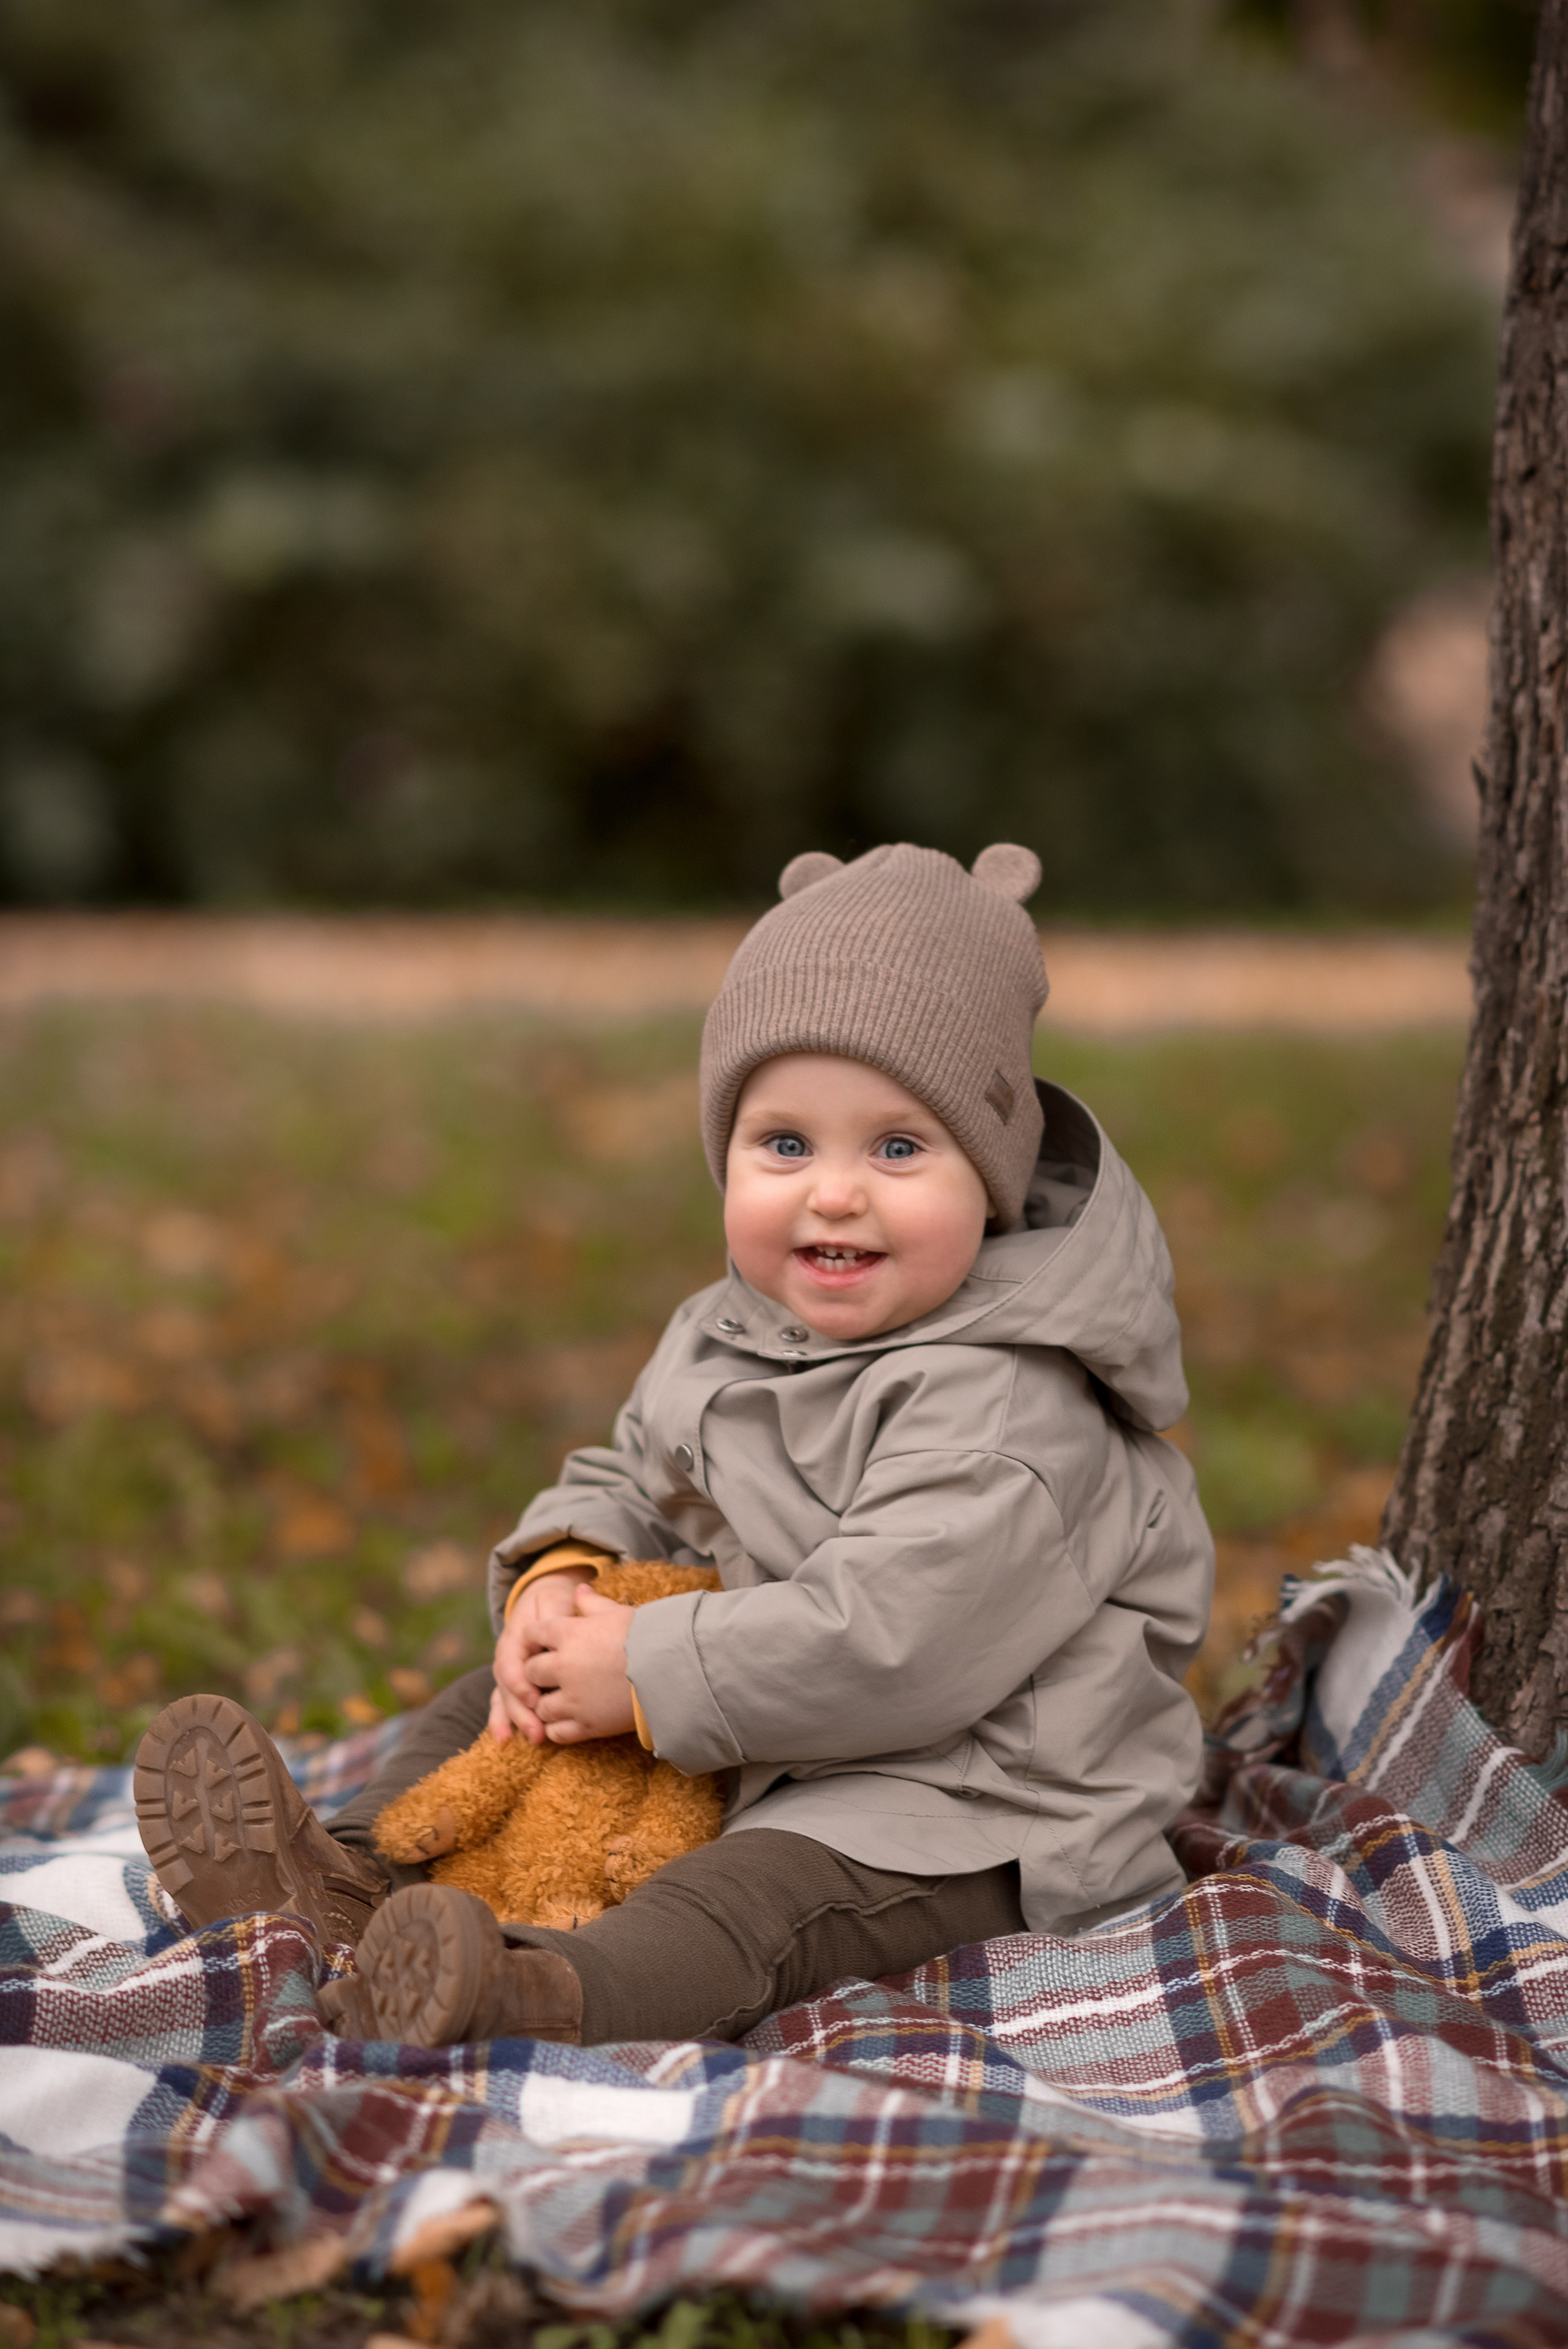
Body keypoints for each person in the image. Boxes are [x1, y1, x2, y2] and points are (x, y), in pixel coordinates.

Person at [134, 841, 1214, 2050]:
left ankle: (528, 1991)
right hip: (749, 1716)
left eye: (897, 1148)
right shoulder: (730, 1330)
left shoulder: (1012, 1405)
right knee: (493, 1703)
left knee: (750, 1900)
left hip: (966, 1799)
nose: (834, 1193)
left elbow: (894, 1642)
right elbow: (632, 1475)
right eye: (785, 1144)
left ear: (993, 1178)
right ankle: (337, 1882)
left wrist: (645, 1669)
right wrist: (562, 1582)